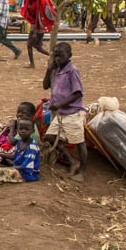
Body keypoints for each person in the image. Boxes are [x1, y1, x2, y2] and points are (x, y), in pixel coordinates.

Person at [44, 42, 88, 180]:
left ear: (69, 55)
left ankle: (83, 171)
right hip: (61, 112)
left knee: (79, 142)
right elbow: (45, 86)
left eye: (61, 56)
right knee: (50, 137)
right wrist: (49, 69)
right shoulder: (56, 70)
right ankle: (72, 161)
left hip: (73, 112)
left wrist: (59, 104)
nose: (57, 58)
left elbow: (78, 94)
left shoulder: (72, 71)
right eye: (55, 56)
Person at [20, 0, 53, 68]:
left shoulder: (38, 5)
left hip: (36, 27)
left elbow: (38, 17)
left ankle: (33, 64)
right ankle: (52, 56)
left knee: (31, 45)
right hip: (39, 27)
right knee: (38, 46)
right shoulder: (40, 3)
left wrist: (35, 31)